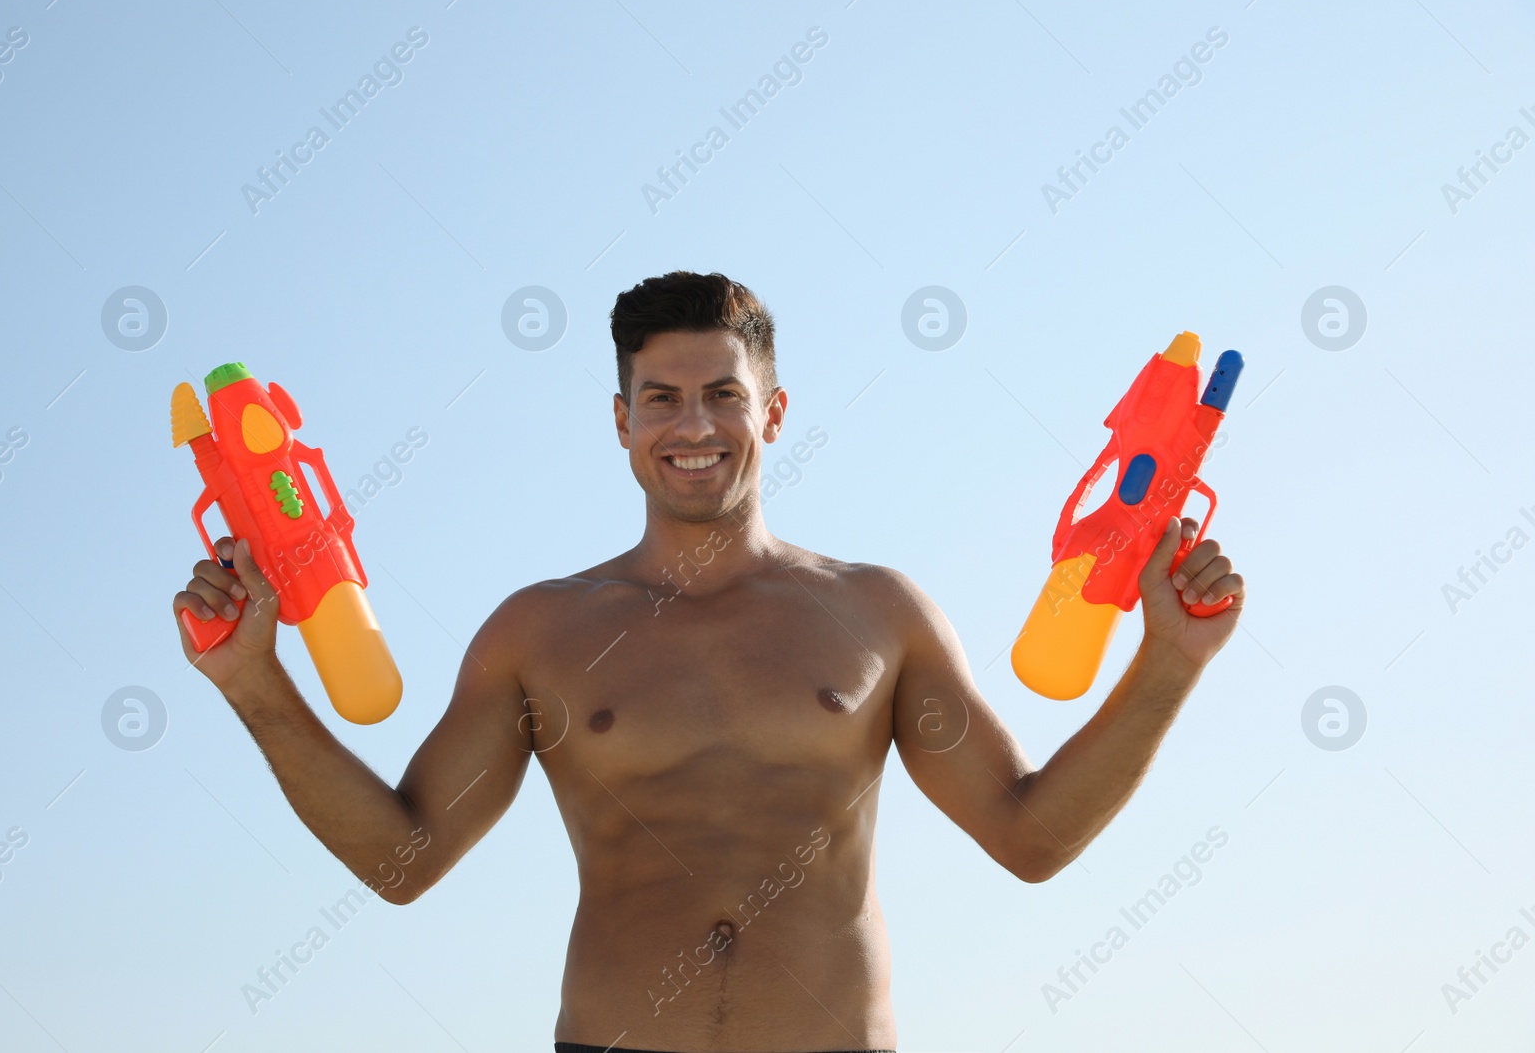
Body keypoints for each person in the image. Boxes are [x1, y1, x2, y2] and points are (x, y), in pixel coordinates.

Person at [173, 270, 1245, 1053]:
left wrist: (1169, 659)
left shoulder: (876, 611)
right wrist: (253, 681)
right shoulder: (538, 630)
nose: (694, 424)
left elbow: (1029, 836)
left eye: (723, 394)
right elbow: (405, 860)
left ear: (771, 413)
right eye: (661, 397)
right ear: (621, 420)